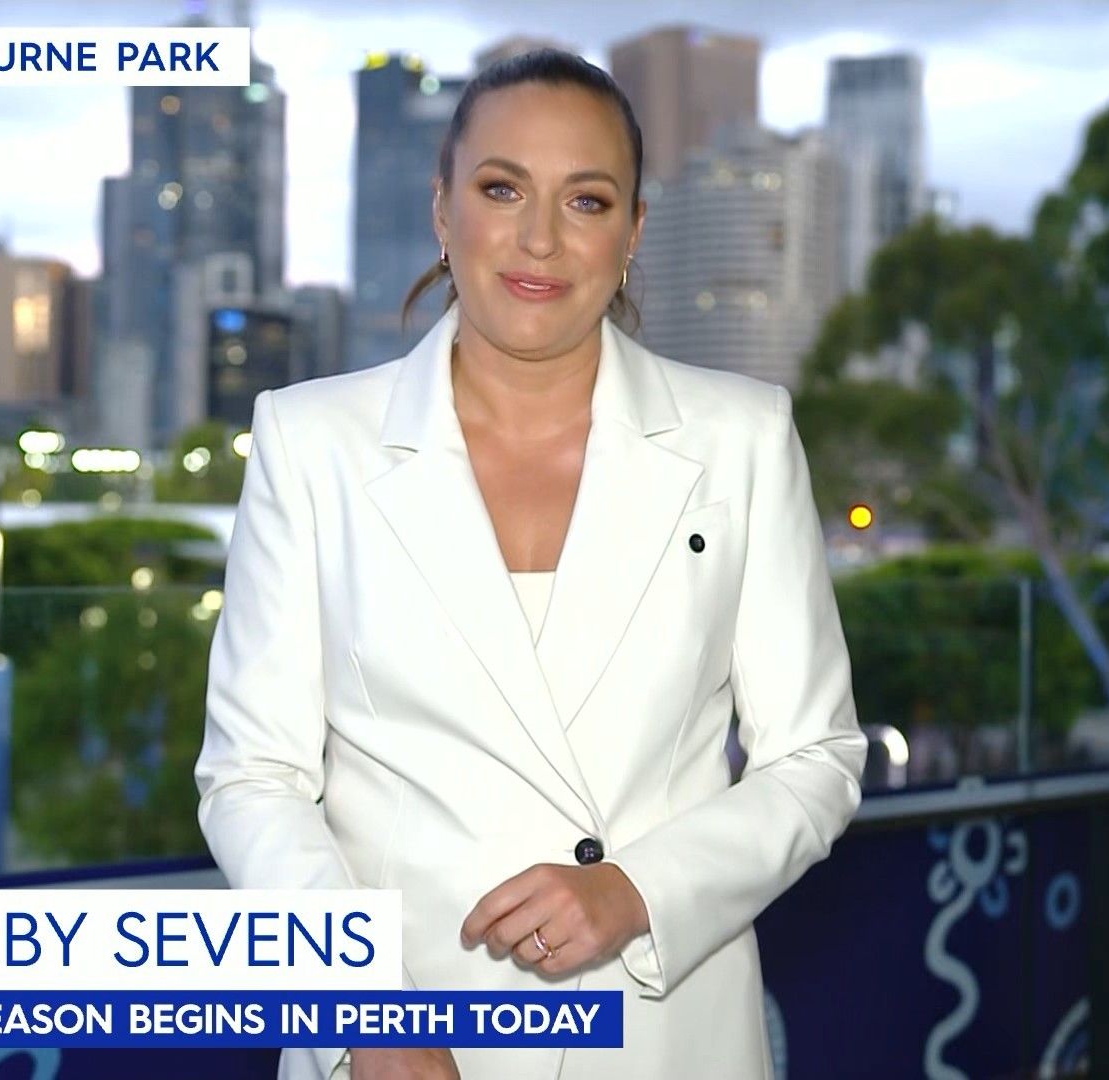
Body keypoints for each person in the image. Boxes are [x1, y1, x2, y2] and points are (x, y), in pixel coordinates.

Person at [195, 48, 867, 1080]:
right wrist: (360, 1012)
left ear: (633, 231)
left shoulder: (743, 438)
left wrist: (637, 891)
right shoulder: (310, 441)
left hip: (660, 1032)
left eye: (586, 201)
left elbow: (815, 758)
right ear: (443, 207)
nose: (541, 238)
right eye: (502, 189)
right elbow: (253, 777)